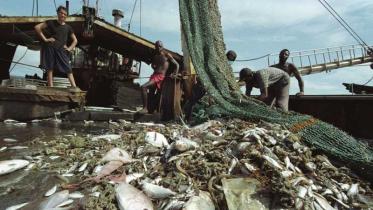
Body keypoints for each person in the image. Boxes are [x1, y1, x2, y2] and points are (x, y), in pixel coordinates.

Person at [35, 5, 78, 90]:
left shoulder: (68, 27)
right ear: (58, 13)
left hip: (61, 49)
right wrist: (45, 39)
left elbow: (75, 40)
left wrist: (69, 48)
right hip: (50, 47)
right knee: (49, 68)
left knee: (68, 68)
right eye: (61, 13)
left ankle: (74, 87)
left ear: (66, 16)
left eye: (65, 14)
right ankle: (50, 87)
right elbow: (37, 27)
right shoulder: (51, 22)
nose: (63, 15)